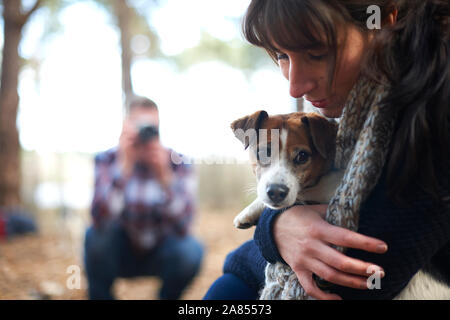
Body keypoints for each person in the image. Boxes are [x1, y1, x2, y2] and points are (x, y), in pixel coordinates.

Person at [204, 0, 450, 300]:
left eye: (317, 53)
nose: (295, 86)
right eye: (282, 55)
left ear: (382, 22)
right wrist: (276, 226)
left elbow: (360, 277)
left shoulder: (434, 114)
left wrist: (266, 238)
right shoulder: (366, 113)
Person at [84, 97, 203, 300]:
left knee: (191, 250)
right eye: (140, 127)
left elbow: (185, 226)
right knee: (94, 237)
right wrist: (124, 167)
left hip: (161, 250)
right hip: (119, 250)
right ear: (127, 127)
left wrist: (165, 176)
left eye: (151, 128)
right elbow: (99, 220)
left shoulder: (177, 163)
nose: (145, 135)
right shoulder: (107, 160)